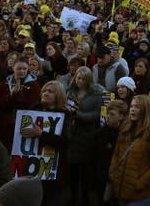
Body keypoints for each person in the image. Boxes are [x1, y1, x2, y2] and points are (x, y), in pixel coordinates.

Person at [109, 95, 150, 206]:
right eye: (131, 106)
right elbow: (116, 154)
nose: (133, 109)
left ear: (145, 110)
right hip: (120, 190)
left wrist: (138, 184)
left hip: (139, 196)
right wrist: (113, 176)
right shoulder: (126, 128)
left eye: (137, 107)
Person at [66, 66, 103, 206]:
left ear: (88, 80)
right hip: (71, 135)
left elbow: (96, 114)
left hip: (87, 135)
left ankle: (86, 198)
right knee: (73, 171)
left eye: (82, 78)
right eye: (77, 77)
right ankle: (74, 197)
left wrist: (78, 114)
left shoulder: (96, 94)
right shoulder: (70, 91)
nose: (79, 81)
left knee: (86, 172)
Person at [0, 55, 41, 150]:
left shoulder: (34, 84)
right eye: (19, 68)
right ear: (13, 68)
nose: (21, 71)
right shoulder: (5, 83)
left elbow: (33, 104)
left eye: (24, 69)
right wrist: (10, 95)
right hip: (4, 125)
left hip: (24, 124)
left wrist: (18, 94)